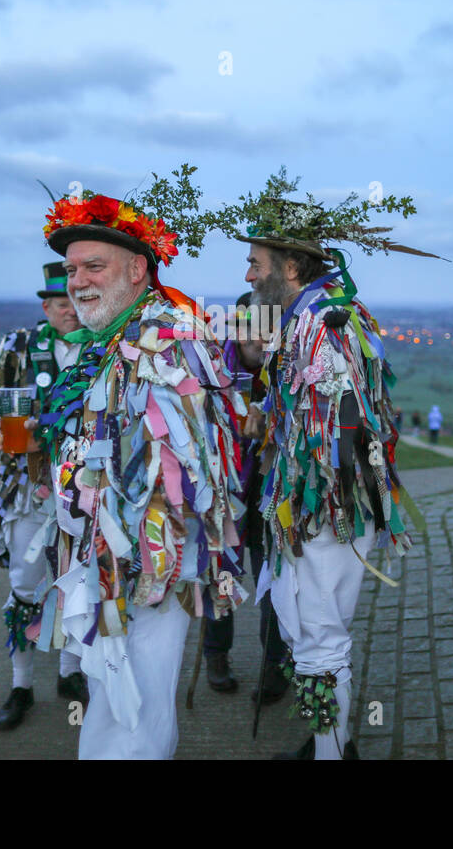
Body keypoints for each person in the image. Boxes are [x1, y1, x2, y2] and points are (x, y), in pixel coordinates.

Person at [35, 194, 247, 759]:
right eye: (71, 270)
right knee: (115, 695)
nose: (76, 281)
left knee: (136, 706)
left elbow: (185, 469)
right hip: (111, 557)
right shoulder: (111, 341)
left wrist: (139, 560)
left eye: (92, 267)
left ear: (137, 269)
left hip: (148, 563)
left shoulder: (167, 338)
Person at [242, 206, 416, 760]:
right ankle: (329, 743)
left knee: (319, 634)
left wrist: (310, 493)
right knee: (310, 626)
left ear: (291, 265)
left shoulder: (325, 321)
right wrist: (271, 414)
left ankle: (332, 754)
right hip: (322, 499)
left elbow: (344, 421)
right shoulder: (314, 314)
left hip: (329, 501)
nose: (248, 276)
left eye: (255, 263)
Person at [0, 262, 87, 731]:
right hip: (28, 489)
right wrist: (5, 428)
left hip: (86, 489)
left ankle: (71, 673)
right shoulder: (17, 347)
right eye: (62, 304)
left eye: (77, 301)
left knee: (80, 580)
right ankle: (21, 684)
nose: (71, 311)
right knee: (25, 583)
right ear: (46, 307)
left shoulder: (105, 346)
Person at [200, 293, 287, 701]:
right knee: (220, 577)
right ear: (236, 328)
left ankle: (275, 665)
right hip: (225, 489)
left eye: (269, 329)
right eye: (253, 328)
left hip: (269, 491)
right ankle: (216, 655)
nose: (261, 339)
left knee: (273, 582)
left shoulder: (287, 367)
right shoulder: (212, 365)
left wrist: (271, 422)